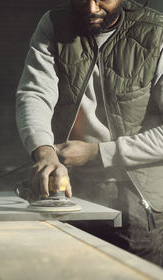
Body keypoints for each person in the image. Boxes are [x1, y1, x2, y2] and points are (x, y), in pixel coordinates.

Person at [16, 0, 163, 266]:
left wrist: (97, 153)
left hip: (139, 201)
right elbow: (35, 93)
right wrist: (44, 150)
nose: (92, 8)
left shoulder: (158, 31)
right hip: (72, 190)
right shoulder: (54, 23)